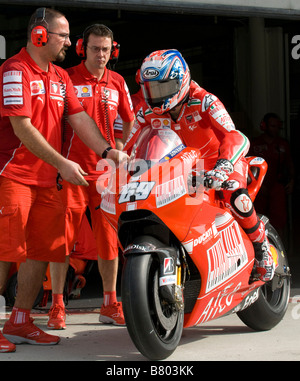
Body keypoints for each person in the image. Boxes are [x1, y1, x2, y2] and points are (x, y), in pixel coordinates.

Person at [0, 8, 127, 353]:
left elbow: (80, 117)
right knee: (5, 251)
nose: (71, 43)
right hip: (13, 176)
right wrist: (64, 163)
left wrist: (106, 152)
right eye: (64, 35)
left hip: (48, 180)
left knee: (43, 250)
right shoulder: (15, 70)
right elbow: (21, 127)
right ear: (40, 36)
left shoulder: (59, 76)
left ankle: (21, 321)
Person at [127, 49, 275, 284]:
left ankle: (261, 247)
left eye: (163, 88)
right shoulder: (146, 112)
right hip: (182, 171)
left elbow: (236, 136)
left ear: (181, 80)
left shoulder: (205, 100)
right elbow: (129, 146)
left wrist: (223, 165)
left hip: (221, 164)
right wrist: (120, 167)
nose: (158, 95)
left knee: (235, 193)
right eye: (152, 89)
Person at [47, 24, 135, 330]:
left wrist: (120, 150)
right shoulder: (65, 77)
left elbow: (130, 121)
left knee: (109, 243)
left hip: (106, 177)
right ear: (83, 48)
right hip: (71, 172)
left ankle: (110, 303)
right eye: (96, 49)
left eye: (106, 50)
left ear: (114, 51)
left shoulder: (118, 82)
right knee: (61, 241)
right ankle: (57, 305)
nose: (101, 55)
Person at [249, 113, 295, 237]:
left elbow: (290, 165)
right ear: (264, 126)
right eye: (272, 126)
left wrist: (292, 181)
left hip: (277, 186)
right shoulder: (254, 144)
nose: (275, 129)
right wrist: (258, 184)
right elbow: (248, 167)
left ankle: (281, 248)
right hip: (258, 186)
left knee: (279, 219)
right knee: (256, 218)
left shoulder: (283, 144)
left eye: (277, 127)